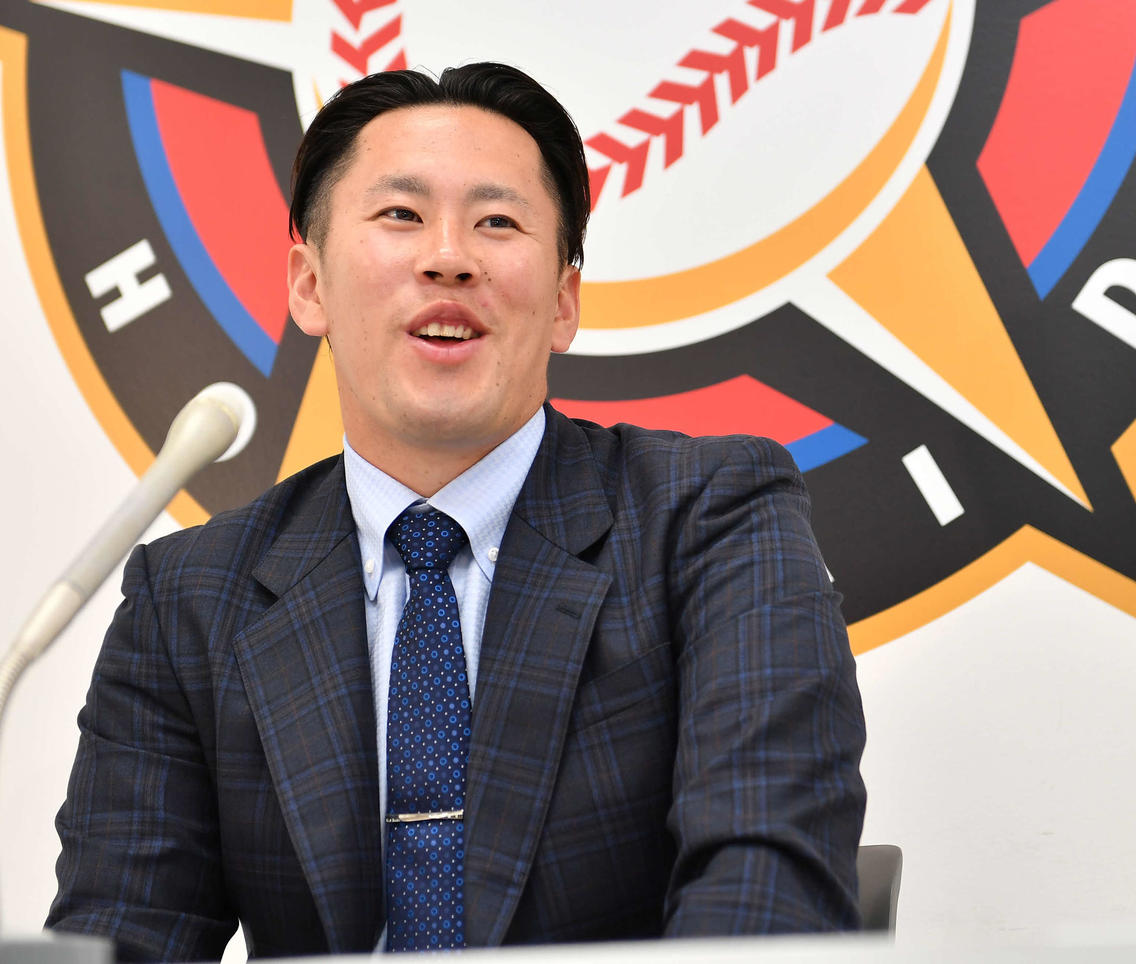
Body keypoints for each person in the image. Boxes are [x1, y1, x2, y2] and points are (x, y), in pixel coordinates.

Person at [47, 63, 867, 959]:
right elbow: (124, 931)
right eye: (401, 214)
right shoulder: (190, 599)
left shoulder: (709, 520)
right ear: (310, 285)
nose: (449, 257)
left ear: (563, 302)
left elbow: (763, 891)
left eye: (498, 222)